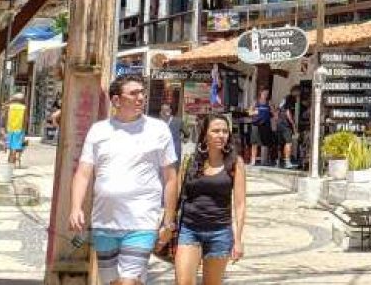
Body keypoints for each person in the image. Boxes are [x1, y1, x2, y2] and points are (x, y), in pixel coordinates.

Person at [68, 77, 178, 285]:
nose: (141, 98)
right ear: (116, 101)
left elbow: (171, 177)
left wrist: (168, 220)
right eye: (134, 93)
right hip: (104, 222)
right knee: (113, 281)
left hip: (141, 222)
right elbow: (83, 173)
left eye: (142, 93)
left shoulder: (158, 130)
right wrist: (76, 207)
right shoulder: (99, 131)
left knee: (127, 281)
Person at [173, 114, 247, 284]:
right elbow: (176, 194)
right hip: (189, 230)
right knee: (183, 282)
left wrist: (238, 240)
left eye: (225, 131)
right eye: (215, 131)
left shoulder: (235, 163)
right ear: (205, 134)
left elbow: (240, 204)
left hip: (219, 232)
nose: (221, 135)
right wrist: (168, 223)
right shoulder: (189, 161)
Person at [249, 89, 273, 166]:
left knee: (265, 143)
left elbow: (274, 112)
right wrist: (256, 112)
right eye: (264, 93)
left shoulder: (269, 102)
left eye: (267, 93)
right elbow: (249, 112)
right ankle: (253, 161)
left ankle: (264, 161)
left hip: (265, 125)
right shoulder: (255, 102)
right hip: (256, 125)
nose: (266, 95)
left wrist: (272, 109)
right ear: (261, 93)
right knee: (254, 143)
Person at [278, 87, 299, 169]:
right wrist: (293, 124)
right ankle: (287, 162)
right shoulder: (290, 98)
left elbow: (278, 110)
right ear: (295, 91)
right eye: (298, 92)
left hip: (280, 123)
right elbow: (288, 112)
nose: (299, 94)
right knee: (288, 143)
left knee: (282, 143)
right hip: (286, 123)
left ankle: (280, 161)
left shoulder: (284, 98)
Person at [5, 93, 26, 168]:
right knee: (16, 146)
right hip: (19, 129)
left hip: (10, 128)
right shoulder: (24, 108)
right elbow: (24, 120)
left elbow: (6, 117)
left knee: (11, 147)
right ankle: (13, 163)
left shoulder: (10, 107)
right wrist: (24, 130)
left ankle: (10, 161)